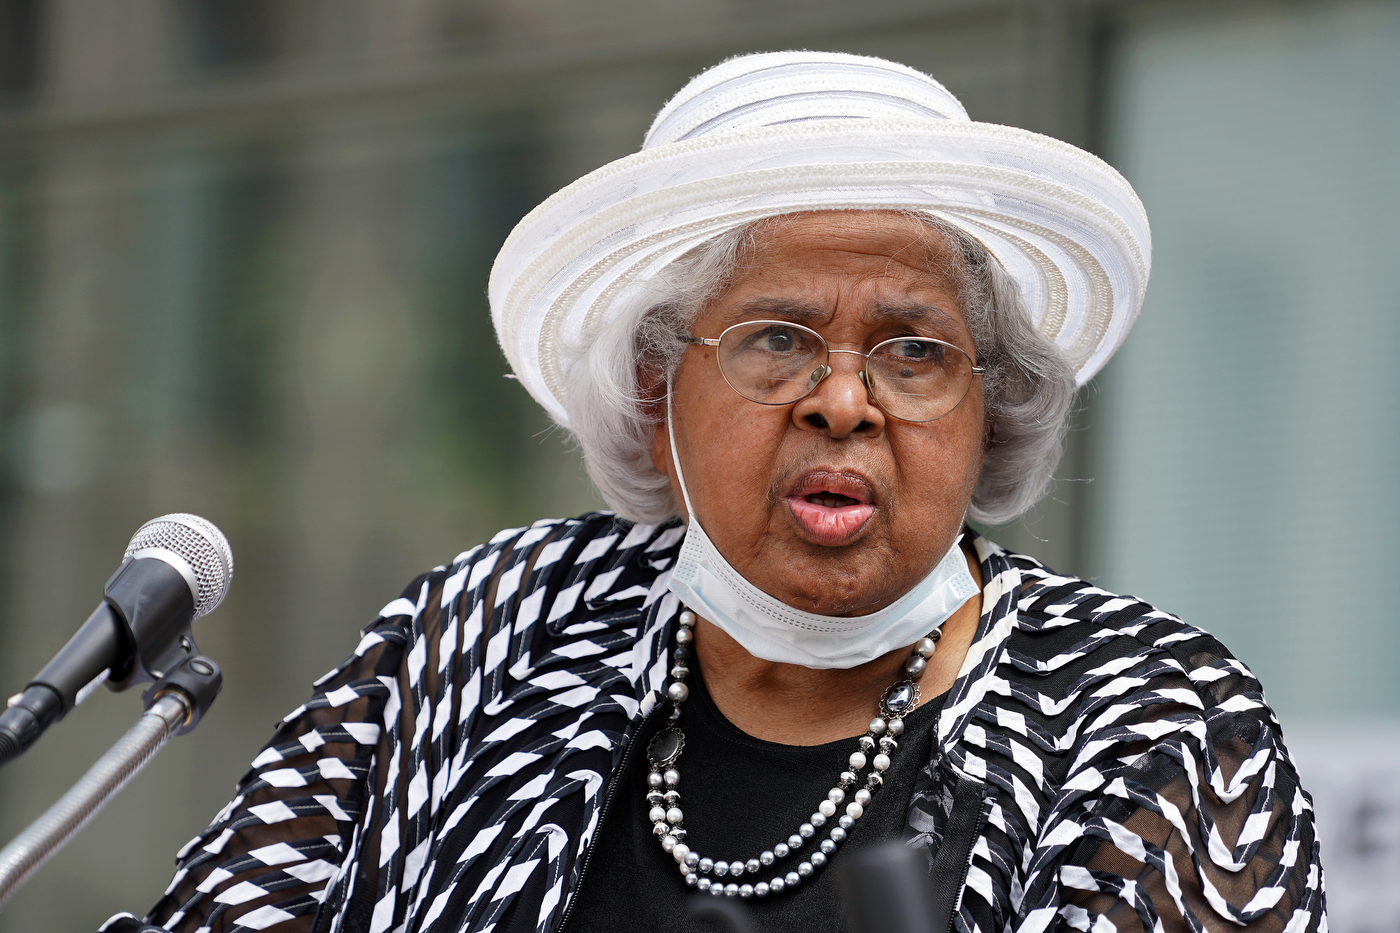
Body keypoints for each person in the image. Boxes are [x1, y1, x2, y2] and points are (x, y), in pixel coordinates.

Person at [102, 51, 1324, 933]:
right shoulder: (486, 628)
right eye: (776, 339)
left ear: (985, 406)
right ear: (655, 390)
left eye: (912, 352)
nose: (842, 402)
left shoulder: (1148, 717)